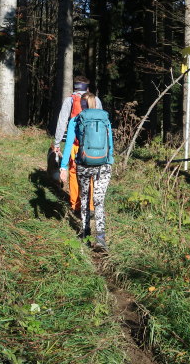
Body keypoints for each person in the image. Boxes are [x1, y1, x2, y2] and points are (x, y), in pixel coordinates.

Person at [59, 93, 113, 251]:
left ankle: (85, 233)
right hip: (103, 166)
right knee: (99, 201)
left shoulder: (76, 120)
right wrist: (109, 161)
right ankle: (101, 238)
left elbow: (69, 145)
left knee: (84, 198)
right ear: (96, 104)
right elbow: (110, 143)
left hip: (83, 164)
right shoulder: (105, 119)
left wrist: (64, 167)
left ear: (82, 105)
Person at [54, 76, 102, 215]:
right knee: (92, 174)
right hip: (94, 146)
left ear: (75, 87)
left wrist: (57, 142)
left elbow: (62, 121)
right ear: (87, 88)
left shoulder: (69, 100)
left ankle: (76, 205)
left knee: (74, 173)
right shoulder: (95, 100)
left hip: (75, 144)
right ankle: (91, 206)